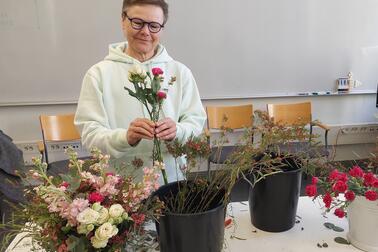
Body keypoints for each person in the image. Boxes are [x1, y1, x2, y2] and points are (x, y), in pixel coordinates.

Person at [74, 0, 206, 182]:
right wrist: (125, 137)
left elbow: (196, 123)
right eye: (137, 22)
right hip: (120, 186)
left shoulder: (180, 72)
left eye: (154, 26)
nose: (145, 32)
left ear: (162, 29)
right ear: (123, 21)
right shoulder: (98, 74)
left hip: (172, 182)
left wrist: (178, 131)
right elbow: (90, 135)